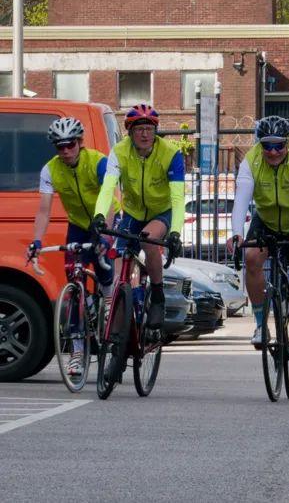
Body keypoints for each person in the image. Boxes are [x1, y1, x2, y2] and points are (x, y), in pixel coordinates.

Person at [27, 117, 118, 378]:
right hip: (78, 223)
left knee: (103, 265)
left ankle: (109, 296)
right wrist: (36, 242)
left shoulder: (98, 162)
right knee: (74, 283)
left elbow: (109, 198)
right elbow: (43, 211)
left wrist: (106, 236)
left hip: (106, 219)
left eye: (69, 145)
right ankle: (78, 353)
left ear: (79, 143)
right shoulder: (50, 170)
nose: (65, 151)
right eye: (59, 147)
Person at [227, 116, 289, 365]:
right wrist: (236, 232)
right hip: (266, 221)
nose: (273, 151)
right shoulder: (251, 160)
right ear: (260, 145)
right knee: (251, 257)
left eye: (279, 145)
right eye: (267, 145)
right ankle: (259, 324)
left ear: (288, 143)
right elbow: (241, 200)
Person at [92, 104, 184, 330]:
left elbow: (178, 198)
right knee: (118, 259)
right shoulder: (119, 152)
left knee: (147, 239)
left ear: (156, 131)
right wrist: (100, 215)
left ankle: (158, 296)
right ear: (130, 132)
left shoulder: (171, 154)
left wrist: (175, 231)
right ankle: (122, 310)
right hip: (132, 213)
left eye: (149, 129)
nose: (145, 134)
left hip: (161, 211)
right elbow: (107, 188)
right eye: (139, 129)